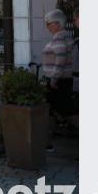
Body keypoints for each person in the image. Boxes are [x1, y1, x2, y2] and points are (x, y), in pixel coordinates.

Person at [42, 9, 74, 149]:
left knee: (57, 110)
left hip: (58, 81)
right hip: (63, 80)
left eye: (49, 23)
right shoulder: (65, 36)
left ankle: (47, 144)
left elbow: (60, 59)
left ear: (57, 23)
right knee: (61, 110)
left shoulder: (59, 37)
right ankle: (48, 142)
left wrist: (54, 79)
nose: (47, 26)